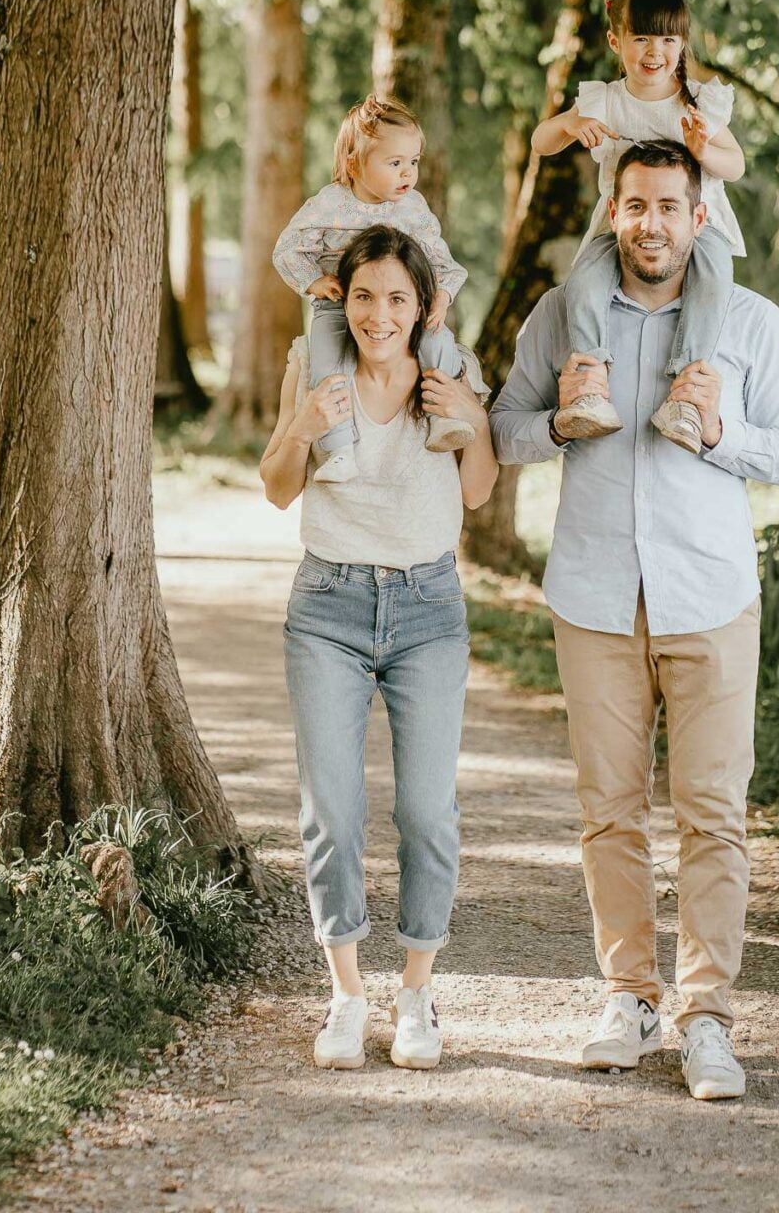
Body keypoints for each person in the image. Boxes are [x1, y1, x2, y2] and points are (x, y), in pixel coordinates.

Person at [490, 139, 779, 1102]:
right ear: (613, 212)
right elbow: (504, 427)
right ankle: (628, 998)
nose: (651, 223)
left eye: (670, 206)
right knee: (610, 811)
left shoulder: (750, 323)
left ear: (699, 216)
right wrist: (559, 423)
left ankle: (707, 1017)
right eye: (635, 205)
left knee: (714, 812)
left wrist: (718, 431)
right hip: (595, 597)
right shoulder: (564, 315)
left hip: (711, 597)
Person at [260, 224, 498, 1072]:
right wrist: (302, 427)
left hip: (428, 608)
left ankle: (417, 993)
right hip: (327, 606)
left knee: (427, 812)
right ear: (343, 299)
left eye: (398, 297)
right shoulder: (314, 365)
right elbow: (277, 488)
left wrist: (471, 416)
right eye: (364, 295)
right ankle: (347, 995)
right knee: (332, 811)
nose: (378, 314)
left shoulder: (451, 373)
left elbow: (478, 492)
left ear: (423, 306)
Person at [531, 0, 747, 454]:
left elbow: (736, 165)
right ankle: (590, 383)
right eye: (642, 38)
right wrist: (571, 123)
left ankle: (686, 394)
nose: (655, 52)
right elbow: (540, 142)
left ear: (682, 43)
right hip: (623, 226)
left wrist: (703, 150)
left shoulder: (696, 102)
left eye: (668, 39)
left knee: (715, 277)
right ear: (616, 42)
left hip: (696, 226)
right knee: (585, 280)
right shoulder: (605, 102)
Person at [272, 95, 473, 484]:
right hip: (337, 303)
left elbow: (442, 261)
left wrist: (442, 295)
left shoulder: (412, 207)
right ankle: (339, 448)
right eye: (394, 163)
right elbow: (288, 248)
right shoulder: (330, 204)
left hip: (399, 305)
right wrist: (313, 280)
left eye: (413, 161)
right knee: (327, 366)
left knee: (437, 340)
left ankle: (443, 417)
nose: (407, 173)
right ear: (355, 164)